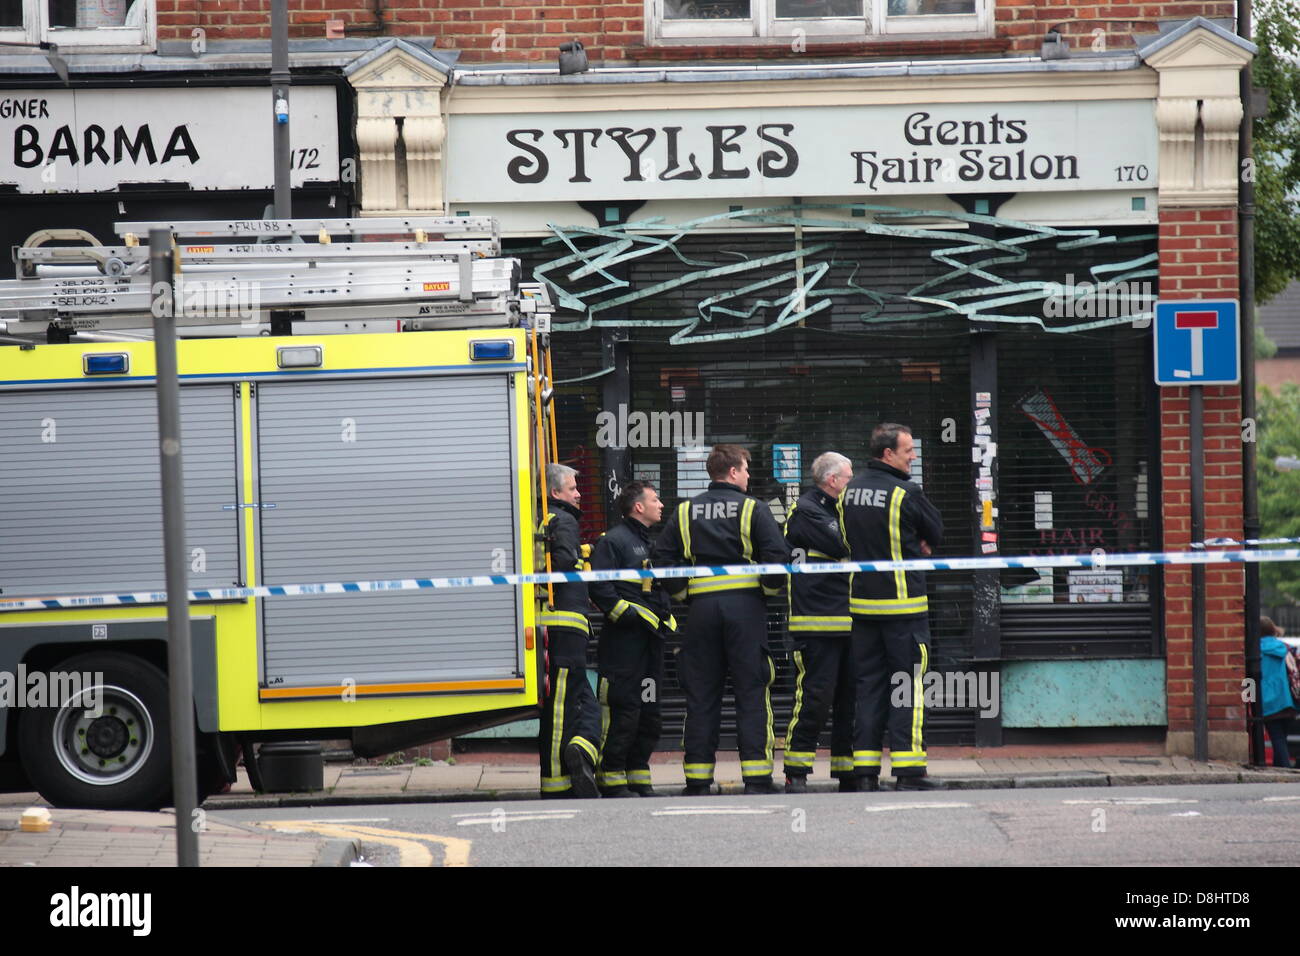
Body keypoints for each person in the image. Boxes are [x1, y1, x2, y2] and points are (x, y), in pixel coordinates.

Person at [655, 444, 791, 795]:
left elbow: (663, 556)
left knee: (700, 695)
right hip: (744, 610)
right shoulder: (753, 509)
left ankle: (698, 781)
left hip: (701, 612)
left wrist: (684, 594)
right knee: (751, 691)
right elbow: (778, 556)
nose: (748, 476)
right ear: (733, 472)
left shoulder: (685, 512)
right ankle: (757, 779)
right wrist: (767, 590)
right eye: (745, 469)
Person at [838, 423, 944, 792]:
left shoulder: (848, 492)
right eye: (908, 450)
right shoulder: (906, 493)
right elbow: (938, 532)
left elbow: (846, 539)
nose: (913, 455)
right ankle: (910, 772)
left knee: (868, 688)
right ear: (888, 454)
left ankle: (865, 772)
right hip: (904, 609)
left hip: (863, 609)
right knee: (909, 687)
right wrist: (918, 542)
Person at [588, 481, 676, 797]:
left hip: (651, 642)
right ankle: (611, 778)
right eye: (655, 499)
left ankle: (638, 774)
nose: (661, 504)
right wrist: (625, 615)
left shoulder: (650, 542)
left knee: (649, 712)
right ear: (638, 506)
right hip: (624, 645)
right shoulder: (613, 542)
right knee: (624, 709)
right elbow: (599, 586)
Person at [782, 451, 859, 794]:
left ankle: (848, 770)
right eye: (849, 477)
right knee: (816, 697)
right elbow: (845, 541)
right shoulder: (807, 511)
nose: (853, 483)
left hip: (851, 620)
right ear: (832, 481)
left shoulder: (839, 509)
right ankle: (796, 770)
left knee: (850, 699)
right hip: (817, 624)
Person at [536, 463, 601, 799]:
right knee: (559, 708)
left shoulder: (550, 520)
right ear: (555, 493)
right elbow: (561, 563)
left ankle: (582, 752)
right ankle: (556, 784)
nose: (578, 494)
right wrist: (579, 559)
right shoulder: (562, 520)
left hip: (568, 628)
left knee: (584, 702)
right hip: (563, 628)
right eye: (573, 489)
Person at [1259, 616, 1298, 768]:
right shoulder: (1286, 648)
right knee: (1282, 737)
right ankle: (1279, 768)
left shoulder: (1256, 650)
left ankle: (1285, 769)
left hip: (1268, 700)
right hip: (1289, 700)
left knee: (1277, 737)